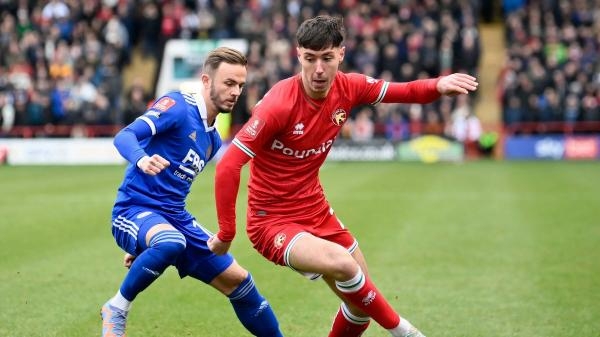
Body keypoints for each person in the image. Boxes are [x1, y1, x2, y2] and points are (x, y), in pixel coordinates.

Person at [208, 16, 478, 337]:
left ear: (341, 54)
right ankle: (405, 331)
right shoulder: (279, 104)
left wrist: (437, 85)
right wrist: (226, 233)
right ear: (299, 56)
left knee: (360, 306)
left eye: (326, 58)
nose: (318, 69)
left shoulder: (349, 87)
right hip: (272, 222)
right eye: (310, 59)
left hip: (315, 209)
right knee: (345, 266)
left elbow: (403, 91)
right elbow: (228, 165)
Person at [101, 47, 283, 337]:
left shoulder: (211, 139)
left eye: (240, 85)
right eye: (228, 83)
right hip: (133, 210)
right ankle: (117, 307)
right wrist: (142, 159)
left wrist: (148, 245)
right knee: (169, 241)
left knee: (241, 282)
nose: (235, 92)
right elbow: (125, 136)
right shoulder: (177, 106)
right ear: (206, 81)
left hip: (172, 220)